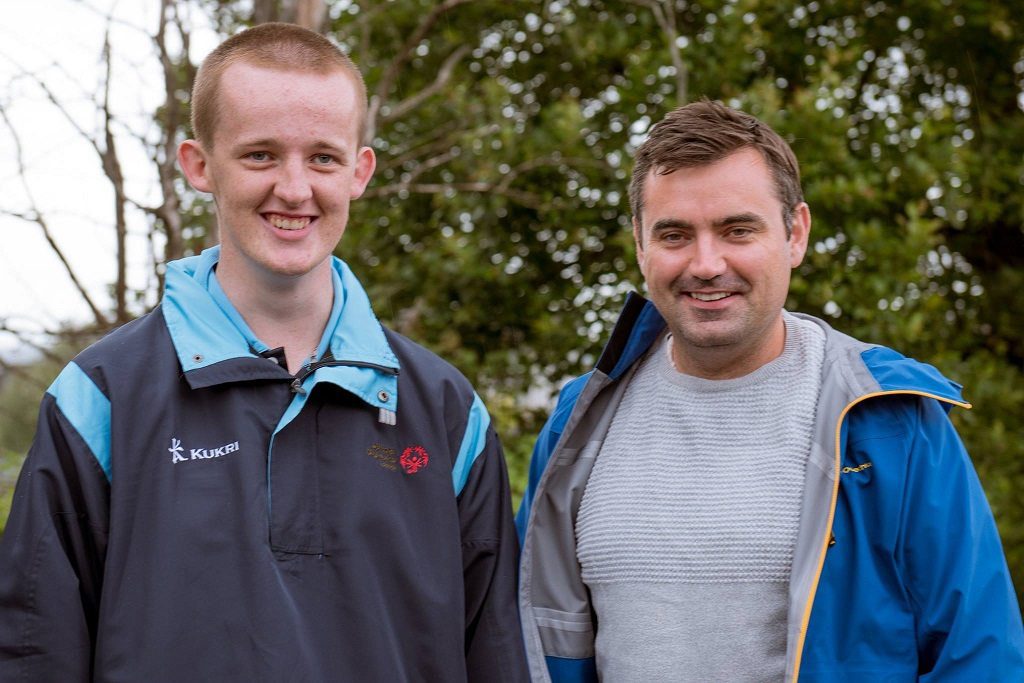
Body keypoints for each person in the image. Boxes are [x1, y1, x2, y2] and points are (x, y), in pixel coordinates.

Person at [0, 23, 528, 682]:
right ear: (199, 164)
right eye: (260, 155)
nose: (294, 188)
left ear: (360, 171)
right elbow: (34, 652)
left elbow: (498, 653)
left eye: (324, 158)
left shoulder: (447, 413)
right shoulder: (100, 399)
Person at [515, 99, 1024, 682]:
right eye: (675, 234)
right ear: (639, 244)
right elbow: (523, 643)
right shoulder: (579, 422)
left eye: (738, 230)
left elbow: (980, 656)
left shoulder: (892, 421)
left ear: (795, 234)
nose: (706, 264)